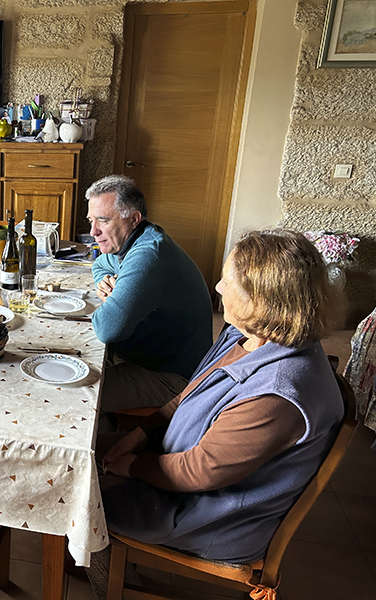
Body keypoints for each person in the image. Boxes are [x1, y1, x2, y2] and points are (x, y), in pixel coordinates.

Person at [85, 230, 344, 598]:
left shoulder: (281, 393)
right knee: (80, 454)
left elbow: (198, 471)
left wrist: (127, 466)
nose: (219, 288)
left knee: (76, 494)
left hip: (208, 515)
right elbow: (187, 395)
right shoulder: (250, 337)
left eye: (229, 280)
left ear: (263, 299)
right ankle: (100, 555)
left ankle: (104, 579)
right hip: (181, 466)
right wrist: (140, 434)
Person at [87, 175, 212, 412]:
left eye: (103, 221)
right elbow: (101, 264)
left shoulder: (148, 255)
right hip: (144, 356)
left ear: (134, 219)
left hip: (172, 377)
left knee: (75, 392)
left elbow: (107, 328)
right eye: (91, 220)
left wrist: (112, 301)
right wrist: (104, 283)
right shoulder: (135, 240)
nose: (94, 231)